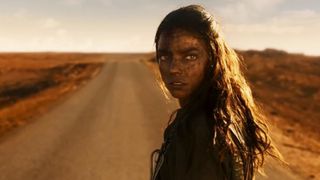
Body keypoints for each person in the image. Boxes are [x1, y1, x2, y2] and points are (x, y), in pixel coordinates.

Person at [150, 4, 282, 180]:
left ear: (212, 59)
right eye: (165, 56)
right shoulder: (219, 115)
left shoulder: (204, 130)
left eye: (190, 56)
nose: (173, 68)